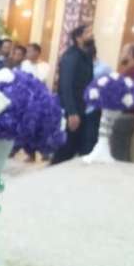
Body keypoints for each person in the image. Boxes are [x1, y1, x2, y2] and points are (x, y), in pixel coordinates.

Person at [52, 23, 95, 165]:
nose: (92, 35)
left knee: (74, 148)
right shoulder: (72, 56)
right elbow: (66, 85)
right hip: (71, 110)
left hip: (81, 108)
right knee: (65, 149)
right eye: (88, 33)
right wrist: (72, 112)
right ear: (78, 37)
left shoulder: (85, 56)